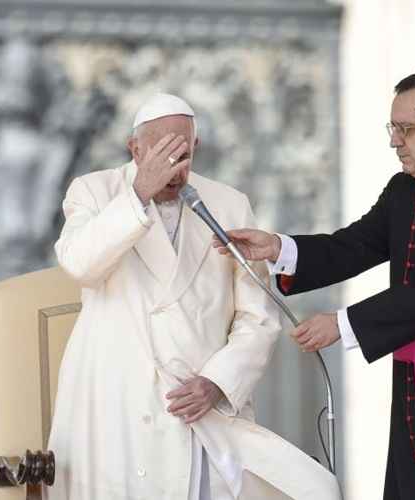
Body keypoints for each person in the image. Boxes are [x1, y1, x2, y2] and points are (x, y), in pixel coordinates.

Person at [215, 69, 415, 500]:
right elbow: (354, 245)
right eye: (393, 128)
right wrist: (277, 248)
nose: (394, 141)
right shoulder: (404, 189)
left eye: (406, 129)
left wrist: (343, 324)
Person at [47, 93, 340, 500]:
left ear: (195, 147)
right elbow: (80, 264)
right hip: (117, 406)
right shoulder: (95, 192)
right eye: (161, 155)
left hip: (199, 409)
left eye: (182, 154)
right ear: (135, 149)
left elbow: (257, 316)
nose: (174, 169)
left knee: (316, 490)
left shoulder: (229, 203)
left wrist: (218, 382)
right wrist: (137, 197)